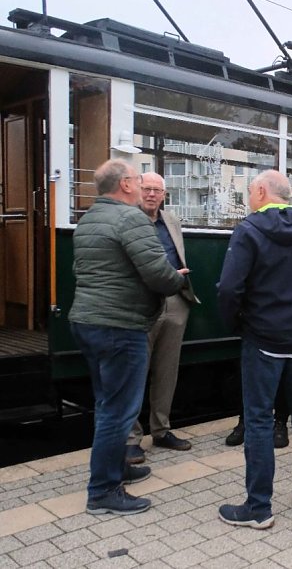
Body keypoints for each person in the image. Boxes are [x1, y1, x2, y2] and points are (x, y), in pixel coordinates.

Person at [217, 170, 292, 528]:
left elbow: (228, 289)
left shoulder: (249, 230)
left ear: (260, 191)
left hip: (262, 340)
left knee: (258, 419)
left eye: (250, 191)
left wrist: (239, 324)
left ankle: (258, 507)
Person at [69, 159, 188, 515]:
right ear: (125, 184)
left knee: (107, 403)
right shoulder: (130, 218)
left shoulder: (90, 218)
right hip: (120, 325)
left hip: (89, 321)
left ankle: (117, 467)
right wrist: (177, 277)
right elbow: (159, 275)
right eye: (138, 180)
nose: (142, 187)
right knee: (118, 412)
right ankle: (103, 491)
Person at [125, 172, 199, 465]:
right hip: (142, 302)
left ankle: (161, 429)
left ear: (164, 195)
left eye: (157, 190)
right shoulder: (127, 221)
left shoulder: (172, 222)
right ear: (137, 190)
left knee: (167, 370)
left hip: (175, 300)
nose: (152, 194)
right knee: (135, 372)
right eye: (147, 188)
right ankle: (131, 439)